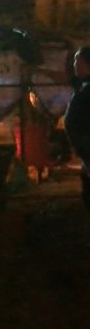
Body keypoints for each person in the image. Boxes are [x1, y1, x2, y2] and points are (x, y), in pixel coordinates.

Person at [62, 46, 90, 217]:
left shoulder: (86, 91)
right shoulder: (82, 84)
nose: (74, 64)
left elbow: (76, 122)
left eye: (77, 61)